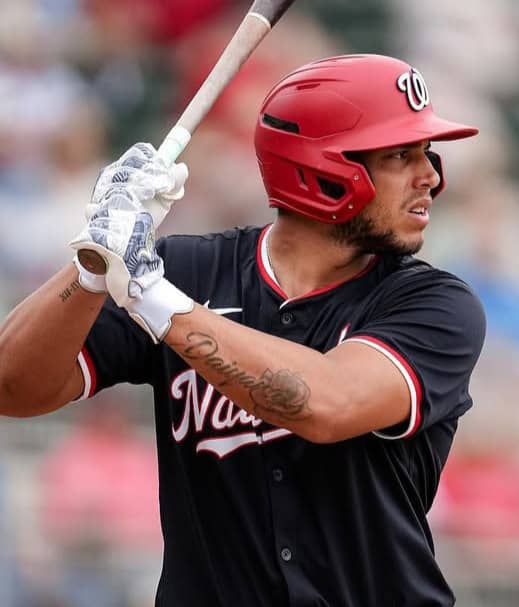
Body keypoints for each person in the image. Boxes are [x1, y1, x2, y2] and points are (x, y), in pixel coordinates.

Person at [0, 54, 487, 606]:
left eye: (426, 153)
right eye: (401, 155)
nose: (431, 177)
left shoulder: (435, 304)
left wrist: (149, 293)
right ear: (324, 169)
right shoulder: (184, 273)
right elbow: (13, 385)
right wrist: (93, 265)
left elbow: (322, 403)